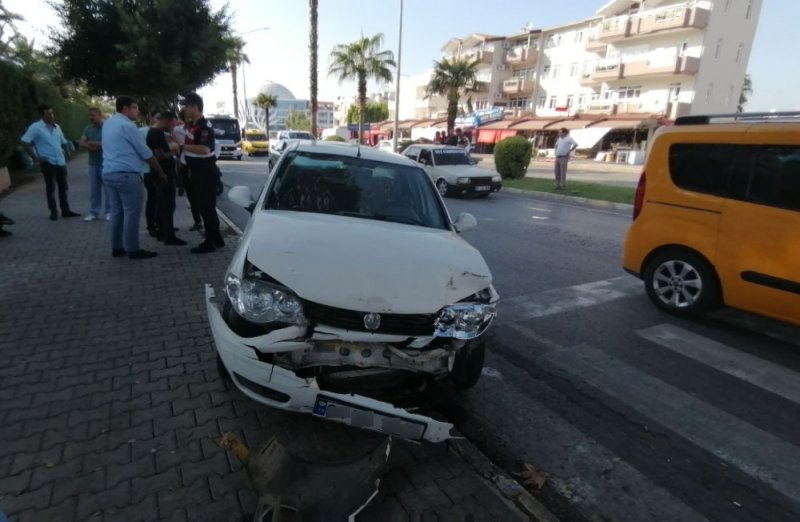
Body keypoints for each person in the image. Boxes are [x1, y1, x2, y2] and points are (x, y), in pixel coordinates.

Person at [102, 95, 169, 260]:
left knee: (117, 212)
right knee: (132, 214)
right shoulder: (128, 126)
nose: (138, 111)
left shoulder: (108, 124)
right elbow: (145, 152)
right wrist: (160, 171)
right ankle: (133, 249)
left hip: (109, 173)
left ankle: (117, 247)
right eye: (135, 107)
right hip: (127, 175)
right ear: (125, 108)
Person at [19, 104, 80, 220]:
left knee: (63, 187)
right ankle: (53, 211)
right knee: (50, 188)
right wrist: (36, 158)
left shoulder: (57, 127)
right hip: (48, 162)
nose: (51, 115)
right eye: (48, 113)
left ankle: (65, 210)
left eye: (52, 113)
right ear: (42, 115)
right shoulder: (36, 127)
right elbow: (24, 142)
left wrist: (68, 153)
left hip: (60, 161)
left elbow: (63, 141)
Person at [180, 93, 224, 254]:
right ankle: (217, 238)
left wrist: (181, 147)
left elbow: (205, 149)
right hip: (197, 172)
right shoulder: (193, 126)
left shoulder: (204, 127)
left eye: (187, 106)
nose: (184, 109)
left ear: (194, 106)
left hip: (205, 173)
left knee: (207, 209)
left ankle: (210, 242)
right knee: (206, 207)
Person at [146, 111, 186, 246]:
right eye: (172, 124)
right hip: (164, 174)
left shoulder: (154, 132)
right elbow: (160, 155)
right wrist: (174, 151)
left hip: (160, 173)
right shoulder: (156, 133)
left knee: (163, 204)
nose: (172, 127)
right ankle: (169, 235)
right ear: (167, 121)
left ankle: (163, 232)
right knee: (168, 205)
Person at [79, 108, 110, 221]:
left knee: (108, 190)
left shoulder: (107, 128)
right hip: (92, 164)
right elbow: (81, 142)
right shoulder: (88, 129)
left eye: (93, 115)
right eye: (89, 116)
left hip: (105, 164)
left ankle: (109, 212)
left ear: (100, 115)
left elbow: (107, 143)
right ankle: (94, 212)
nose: (91, 118)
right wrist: (94, 146)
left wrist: (90, 143)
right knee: (94, 190)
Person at [174, 109, 203, 230]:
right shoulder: (177, 131)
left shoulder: (200, 129)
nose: (190, 119)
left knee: (202, 194)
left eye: (191, 117)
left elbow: (213, 147)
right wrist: (178, 158)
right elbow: (174, 147)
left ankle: (207, 220)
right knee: (191, 195)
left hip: (200, 164)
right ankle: (197, 221)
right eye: (186, 117)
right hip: (185, 165)